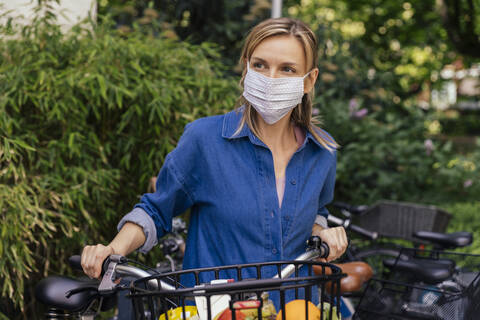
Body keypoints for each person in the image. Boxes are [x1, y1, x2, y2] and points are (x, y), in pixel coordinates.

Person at [81, 16, 347, 296]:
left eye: (287, 69)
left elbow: (317, 213)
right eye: (260, 65)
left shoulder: (322, 151)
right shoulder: (204, 140)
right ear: (246, 68)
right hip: (215, 310)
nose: (270, 79)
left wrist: (323, 234)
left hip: (295, 310)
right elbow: (156, 209)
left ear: (309, 80)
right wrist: (112, 250)